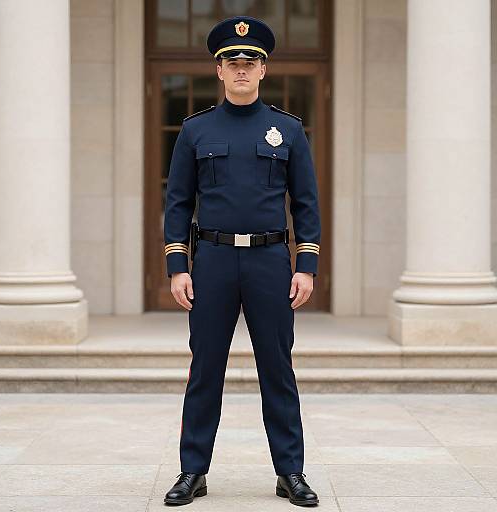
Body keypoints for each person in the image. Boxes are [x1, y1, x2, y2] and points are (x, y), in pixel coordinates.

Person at [162, 15, 321, 507]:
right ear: (219, 69)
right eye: (232, 61)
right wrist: (177, 265)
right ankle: (193, 471)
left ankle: (290, 473)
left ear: (264, 69)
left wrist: (306, 264)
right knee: (205, 369)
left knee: (278, 369)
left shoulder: (288, 130)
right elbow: (178, 202)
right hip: (210, 262)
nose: (241, 69)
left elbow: (307, 203)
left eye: (250, 61)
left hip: (270, 262)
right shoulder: (195, 130)